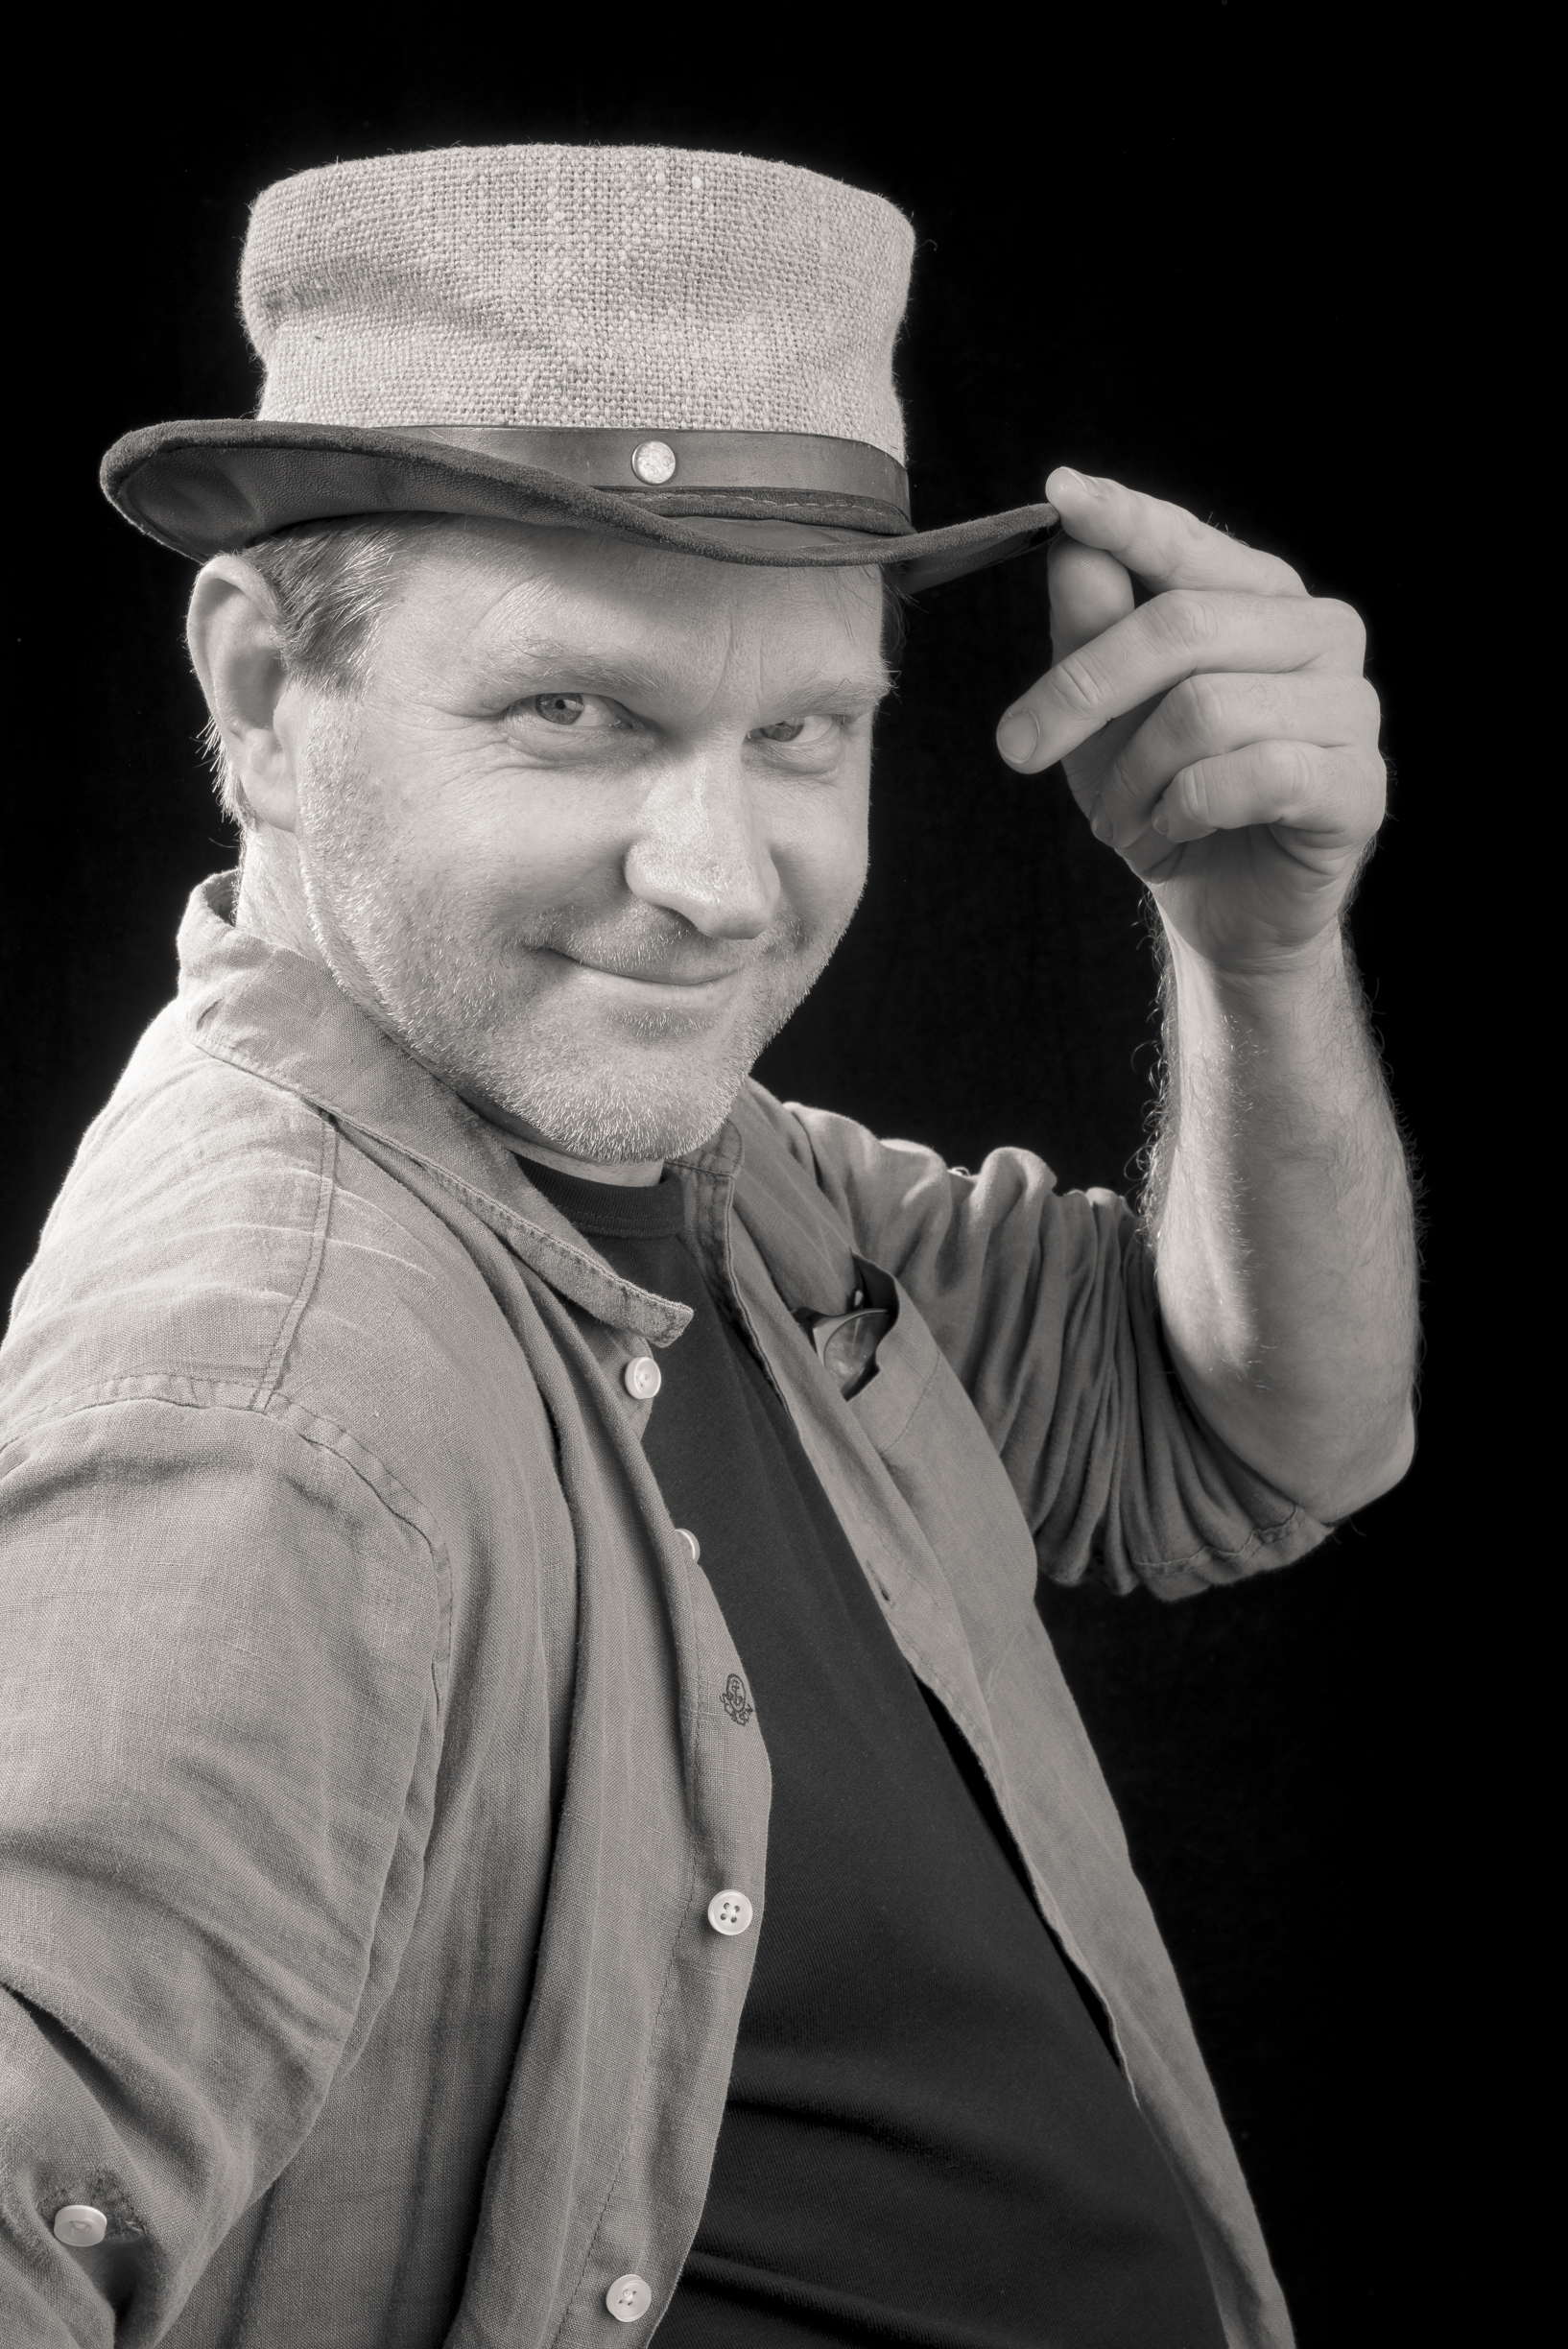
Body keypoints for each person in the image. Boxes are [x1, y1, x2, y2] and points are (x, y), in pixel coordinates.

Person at [0, 143, 1415, 2349]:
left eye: (800, 734)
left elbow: (1251, 1439)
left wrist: (1257, 952)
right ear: (265, 695)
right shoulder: (278, 1408)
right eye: (575, 712)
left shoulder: (726, 1181)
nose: (722, 883)